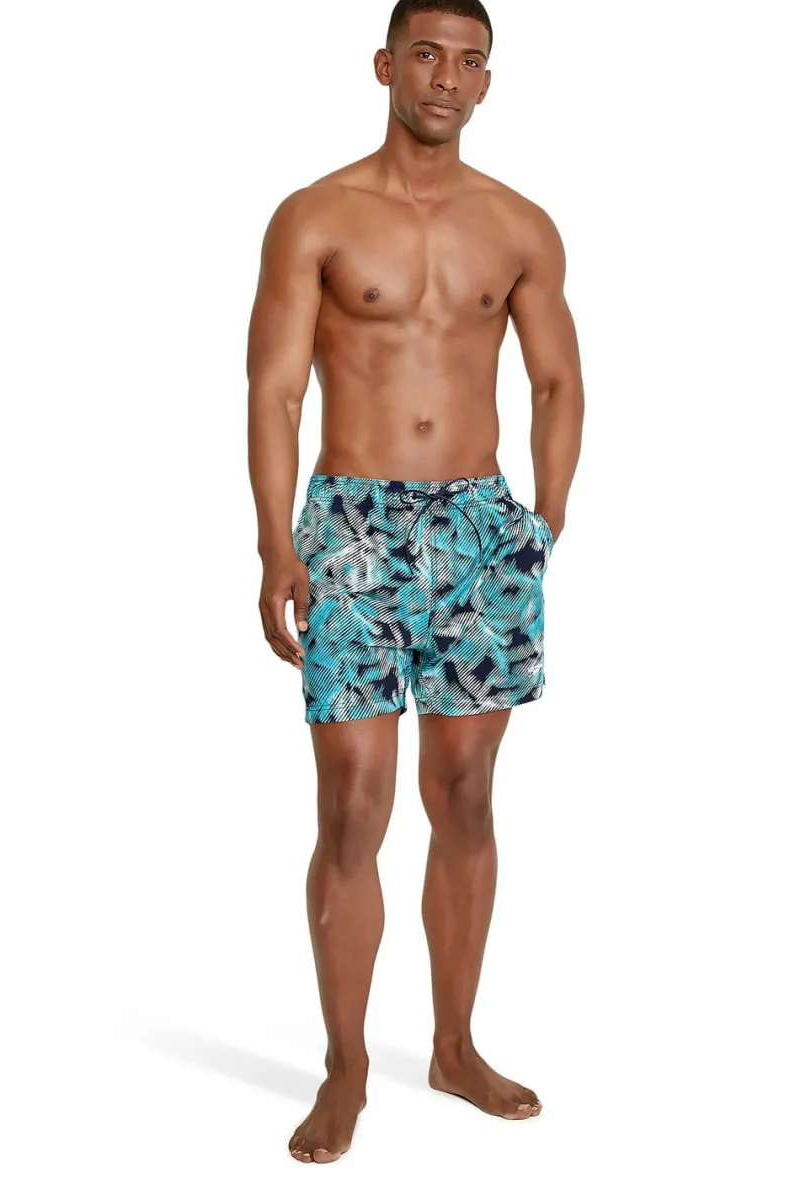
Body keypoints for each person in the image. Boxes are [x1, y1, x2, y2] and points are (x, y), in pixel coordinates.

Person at [246, 0, 584, 1165]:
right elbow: (275, 388)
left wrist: (545, 519)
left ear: (488, 82)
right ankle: (346, 1064)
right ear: (387, 63)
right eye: (428, 54)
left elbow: (557, 380)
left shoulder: (520, 225)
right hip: (350, 526)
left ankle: (453, 1046)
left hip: (480, 529)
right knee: (352, 804)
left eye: (470, 61)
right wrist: (274, 540)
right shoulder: (315, 215)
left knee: (468, 795)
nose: (447, 76)